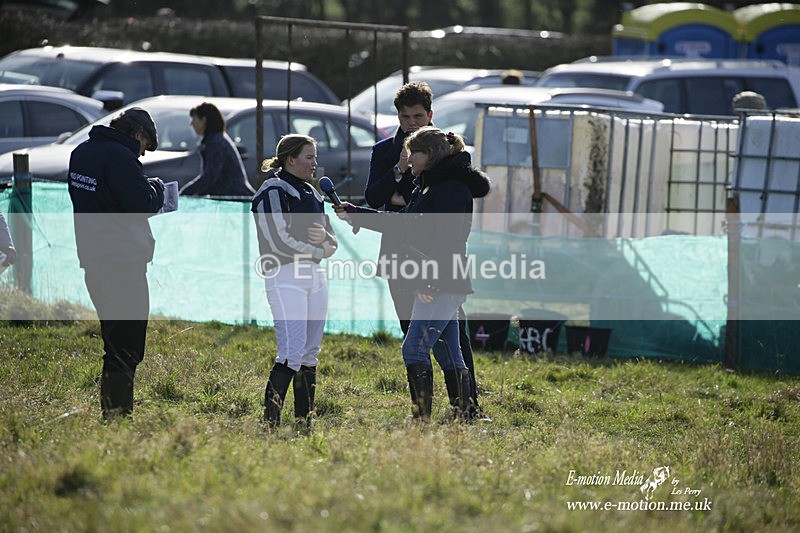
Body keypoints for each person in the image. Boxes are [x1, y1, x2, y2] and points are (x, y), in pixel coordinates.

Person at [337, 127, 490, 421]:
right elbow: (402, 224)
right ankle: (465, 414)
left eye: (412, 154)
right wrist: (357, 213)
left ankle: (421, 419)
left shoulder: (452, 189)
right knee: (448, 352)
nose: (407, 160)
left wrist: (428, 279)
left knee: (414, 349)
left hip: (442, 282)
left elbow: (449, 240)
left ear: (429, 155)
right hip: (440, 280)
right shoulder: (427, 186)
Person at [68, 107, 165, 420]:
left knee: (114, 338)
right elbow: (141, 204)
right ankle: (117, 415)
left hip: (93, 259)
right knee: (128, 343)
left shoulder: (82, 153)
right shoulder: (121, 159)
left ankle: (114, 410)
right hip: (123, 262)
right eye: (144, 148)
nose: (141, 155)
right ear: (138, 135)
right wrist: (157, 189)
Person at [252, 134, 338, 431]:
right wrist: (319, 250)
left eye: (315, 157)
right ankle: (271, 424)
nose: (315, 163)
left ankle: (304, 422)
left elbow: (330, 237)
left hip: (313, 275)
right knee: (291, 351)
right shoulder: (272, 189)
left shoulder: (314, 193)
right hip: (285, 273)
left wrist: (327, 242)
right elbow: (278, 240)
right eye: (309, 157)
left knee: (309, 353)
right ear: (291, 159)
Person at [180, 102, 255, 197]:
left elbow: (210, 177)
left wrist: (184, 193)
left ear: (204, 120)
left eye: (194, 119)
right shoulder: (215, 139)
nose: (192, 124)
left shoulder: (216, 143)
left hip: (234, 199)